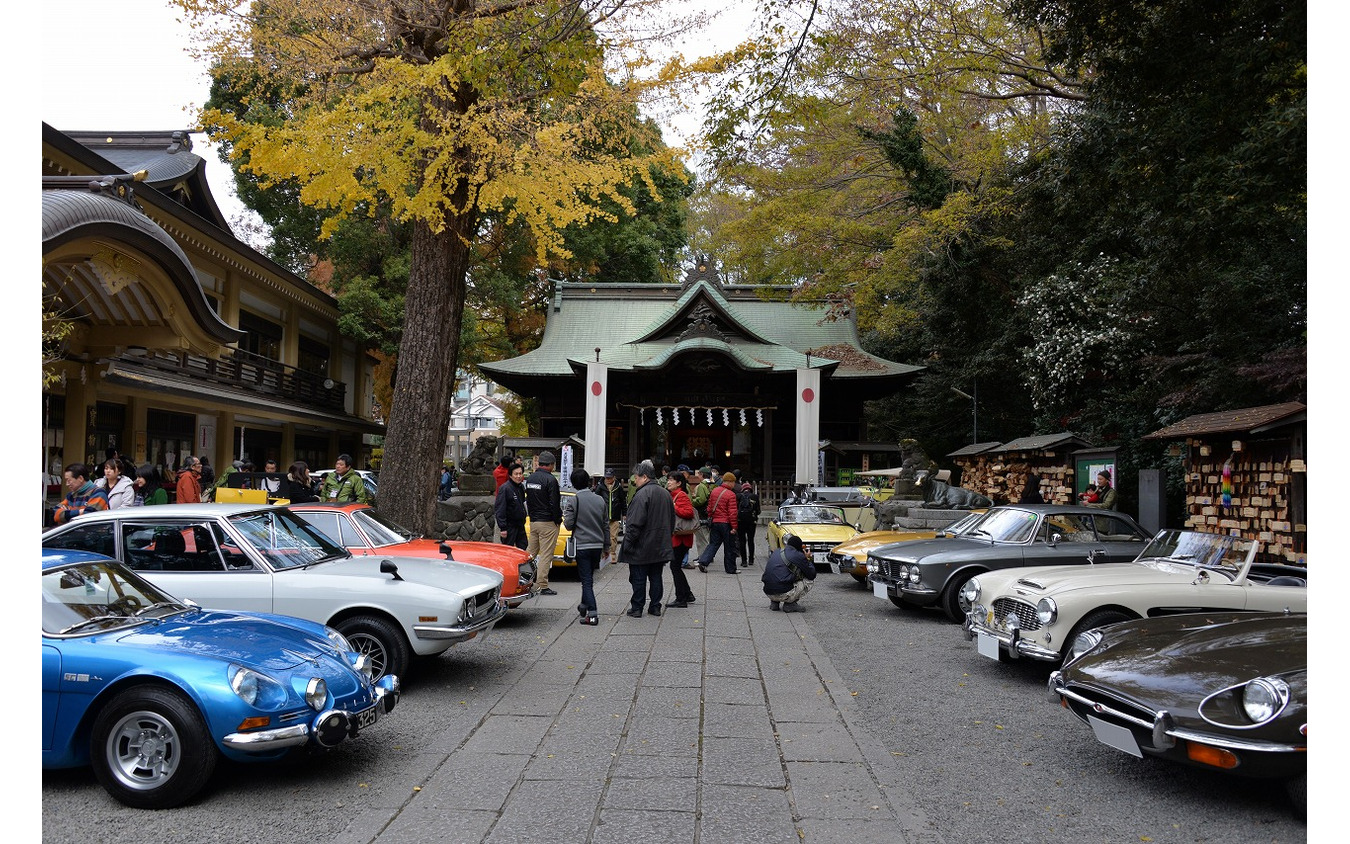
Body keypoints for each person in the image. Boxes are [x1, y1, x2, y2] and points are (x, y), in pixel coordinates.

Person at [621, 459, 671, 617]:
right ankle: (655, 606)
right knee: (656, 577)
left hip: (642, 544)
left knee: (638, 578)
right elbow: (671, 519)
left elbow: (635, 523)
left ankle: (637, 607)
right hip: (660, 543)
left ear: (644, 477)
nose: (635, 481)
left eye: (636, 478)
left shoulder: (641, 494)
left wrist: (628, 543)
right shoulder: (665, 493)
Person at [563, 468, 609, 625]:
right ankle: (583, 606)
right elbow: (606, 525)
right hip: (597, 545)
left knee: (586, 581)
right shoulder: (600, 500)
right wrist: (607, 546)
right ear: (588, 481)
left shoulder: (573, 500)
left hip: (582, 545)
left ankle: (593, 613)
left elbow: (568, 525)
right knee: (588, 577)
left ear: (574, 484)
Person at [524, 450, 563, 596]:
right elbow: (554, 503)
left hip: (534, 521)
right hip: (548, 522)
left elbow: (529, 501)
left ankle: (522, 579)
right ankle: (542, 584)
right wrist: (557, 519)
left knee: (530, 553)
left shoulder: (531, 478)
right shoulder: (551, 480)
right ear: (551, 465)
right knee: (546, 554)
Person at [696, 472, 740, 574]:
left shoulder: (714, 491)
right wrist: (734, 527)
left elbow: (709, 508)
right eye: (733, 482)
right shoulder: (731, 494)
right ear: (729, 482)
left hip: (715, 522)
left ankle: (703, 562)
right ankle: (730, 569)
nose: (734, 485)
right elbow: (732, 513)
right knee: (729, 547)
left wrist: (711, 518)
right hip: (726, 523)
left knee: (713, 544)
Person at [665, 470, 697, 607]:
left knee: (675, 566)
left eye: (671, 480)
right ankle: (688, 594)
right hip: (677, 537)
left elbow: (689, 513)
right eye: (668, 479)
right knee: (675, 566)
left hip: (681, 538)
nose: (668, 482)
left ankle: (681, 598)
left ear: (679, 483)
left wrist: (674, 507)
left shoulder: (681, 495)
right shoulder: (673, 495)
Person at [762, 533, 817, 612]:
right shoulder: (798, 555)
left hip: (768, 592)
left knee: (779, 574)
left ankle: (774, 602)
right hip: (784, 593)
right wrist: (807, 559)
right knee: (808, 580)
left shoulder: (777, 551)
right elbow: (812, 574)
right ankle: (790, 604)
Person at [494, 462, 528, 550]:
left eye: (520, 474)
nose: (518, 476)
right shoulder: (505, 488)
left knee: (523, 547)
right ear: (510, 475)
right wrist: (503, 528)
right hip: (509, 526)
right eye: (516, 474)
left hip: (520, 525)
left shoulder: (521, 487)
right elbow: (500, 508)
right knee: (507, 550)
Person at [596, 468, 627, 565]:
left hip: (615, 515)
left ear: (614, 477)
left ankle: (612, 554)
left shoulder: (618, 487)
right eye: (606, 478)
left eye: (610, 478)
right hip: (603, 516)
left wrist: (625, 513)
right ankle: (603, 555)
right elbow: (596, 499)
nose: (608, 480)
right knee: (602, 536)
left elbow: (623, 501)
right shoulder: (600, 487)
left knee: (613, 536)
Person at [689, 466, 714, 560]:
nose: (698, 475)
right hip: (708, 513)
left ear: (702, 475)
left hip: (701, 513)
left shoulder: (701, 486)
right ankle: (707, 556)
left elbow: (701, 500)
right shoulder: (712, 484)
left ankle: (703, 556)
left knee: (701, 538)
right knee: (706, 536)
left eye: (699, 474)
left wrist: (692, 500)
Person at [736, 480, 761, 567]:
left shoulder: (738, 496)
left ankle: (744, 561)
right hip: (751, 521)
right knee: (751, 540)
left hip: (741, 521)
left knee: (742, 540)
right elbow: (758, 510)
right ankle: (751, 559)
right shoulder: (755, 497)